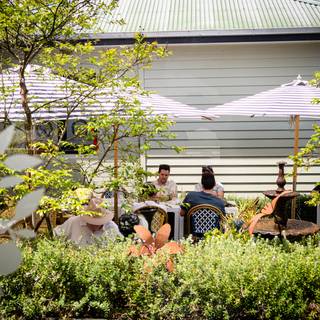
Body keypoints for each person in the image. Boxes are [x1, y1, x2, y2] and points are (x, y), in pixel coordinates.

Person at [54, 197, 122, 246]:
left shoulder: (111, 227)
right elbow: (54, 235)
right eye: (92, 221)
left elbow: (121, 244)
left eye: (98, 222)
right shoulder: (73, 222)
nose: (94, 225)